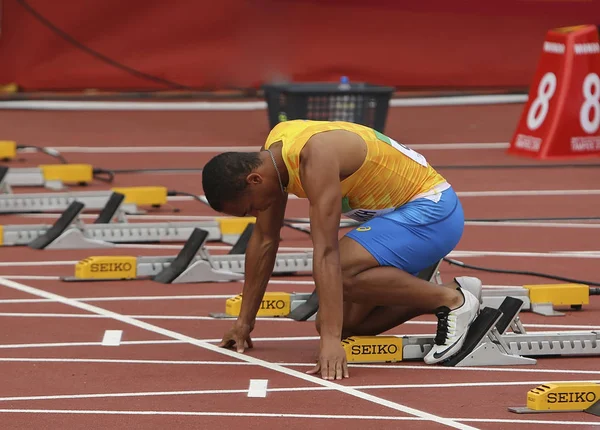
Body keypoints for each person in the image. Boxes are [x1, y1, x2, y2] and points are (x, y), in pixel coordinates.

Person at [201, 119, 482, 380]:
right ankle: (423, 283)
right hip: (395, 221)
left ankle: (453, 301)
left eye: (250, 207)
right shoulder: (271, 157)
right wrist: (243, 324)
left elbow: (326, 252)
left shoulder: (314, 157)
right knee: (346, 324)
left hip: (433, 213)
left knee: (342, 273)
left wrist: (331, 344)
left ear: (254, 180)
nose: (256, 212)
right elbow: (264, 240)